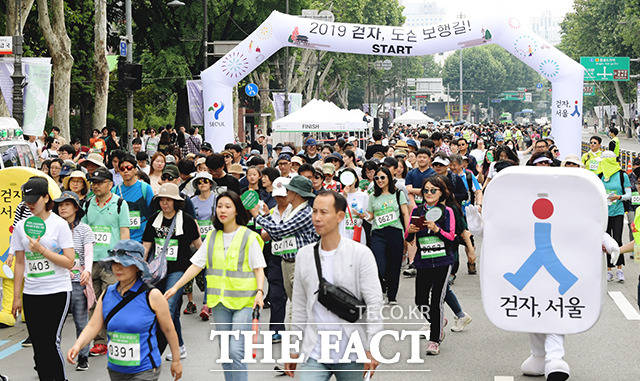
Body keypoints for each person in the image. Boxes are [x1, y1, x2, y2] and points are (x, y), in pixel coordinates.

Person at [164, 191, 265, 380]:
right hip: (219, 303)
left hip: (245, 302)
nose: (223, 210)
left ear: (236, 210)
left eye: (228, 206)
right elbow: (196, 265)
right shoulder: (212, 236)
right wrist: (176, 287)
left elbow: (259, 269)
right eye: (219, 206)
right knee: (226, 353)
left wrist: (260, 291)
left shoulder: (248, 236)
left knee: (235, 350)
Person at [285, 190, 383, 379]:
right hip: (314, 351)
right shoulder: (304, 255)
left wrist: (372, 347)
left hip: (352, 351)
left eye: (323, 212)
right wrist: (294, 348)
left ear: (340, 216)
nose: (317, 218)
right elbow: (298, 307)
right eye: (314, 212)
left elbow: (374, 304)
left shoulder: (361, 254)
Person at [66, 240, 183, 381]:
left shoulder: (152, 296)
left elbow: (169, 329)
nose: (118, 268)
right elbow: (93, 325)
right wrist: (78, 346)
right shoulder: (108, 293)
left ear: (137, 267)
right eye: (115, 263)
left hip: (145, 370)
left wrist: (176, 360)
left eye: (124, 263)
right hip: (115, 369)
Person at [11, 177, 75, 380]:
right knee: (38, 344)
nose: (29, 205)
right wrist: (16, 297)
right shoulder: (21, 227)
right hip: (32, 292)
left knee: (50, 342)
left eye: (34, 199)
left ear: (46, 197)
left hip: (57, 290)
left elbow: (69, 261)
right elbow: (20, 262)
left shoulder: (59, 225)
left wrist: (41, 250)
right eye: (26, 201)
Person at [142, 183, 202, 360]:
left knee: (166, 308)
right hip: (157, 271)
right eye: (162, 200)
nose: (165, 204)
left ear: (176, 201)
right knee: (173, 313)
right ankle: (180, 346)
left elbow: (199, 246)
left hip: (179, 270)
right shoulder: (154, 219)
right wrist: (140, 268)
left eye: (168, 200)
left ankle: (156, 350)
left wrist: (205, 268)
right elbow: (146, 246)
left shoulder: (188, 220)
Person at [405, 175, 458, 355]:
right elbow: (409, 240)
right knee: (420, 301)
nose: (428, 193)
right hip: (423, 262)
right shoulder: (417, 211)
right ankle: (438, 321)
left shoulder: (447, 211)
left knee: (436, 301)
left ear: (441, 192)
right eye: (425, 190)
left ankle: (435, 339)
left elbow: (452, 237)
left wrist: (437, 229)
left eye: (433, 190)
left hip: (443, 262)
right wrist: (410, 232)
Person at [82, 167, 131, 356]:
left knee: (111, 300)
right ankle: (100, 341)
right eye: (93, 182)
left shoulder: (120, 204)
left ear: (110, 184)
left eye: (99, 182)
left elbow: (124, 232)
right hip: (91, 261)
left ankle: (116, 337)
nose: (95, 186)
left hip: (111, 261)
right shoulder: (87, 204)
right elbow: (84, 232)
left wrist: (124, 259)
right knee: (92, 302)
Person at [250, 176, 318, 303]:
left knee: (300, 306)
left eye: (289, 190)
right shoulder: (292, 211)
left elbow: (280, 230)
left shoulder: (305, 212)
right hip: (287, 262)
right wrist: (266, 216)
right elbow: (277, 236)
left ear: (297, 194)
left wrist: (257, 217)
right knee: (295, 304)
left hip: (299, 264)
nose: (286, 193)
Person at [53, 191, 95, 371]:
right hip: (57, 281)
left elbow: (88, 253)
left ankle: (83, 356)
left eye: (67, 204)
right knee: (54, 324)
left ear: (76, 208)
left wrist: (88, 271)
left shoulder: (84, 229)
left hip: (78, 281)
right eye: (60, 205)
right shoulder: (53, 228)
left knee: (80, 321)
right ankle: (50, 358)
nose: (62, 207)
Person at [366, 166, 409, 304]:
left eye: (382, 177)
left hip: (395, 231)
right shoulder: (372, 196)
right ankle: (382, 287)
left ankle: (392, 296)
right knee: (379, 265)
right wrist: (363, 215)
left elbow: (405, 214)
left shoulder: (398, 194)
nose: (379, 180)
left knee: (394, 265)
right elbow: (370, 215)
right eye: (377, 178)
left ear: (389, 178)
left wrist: (408, 233)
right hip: (378, 233)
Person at [186, 171, 217, 319]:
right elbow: (192, 220)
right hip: (197, 242)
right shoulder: (192, 201)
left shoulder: (217, 199)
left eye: (205, 181)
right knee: (200, 272)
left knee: (209, 272)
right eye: (199, 182)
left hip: (215, 240)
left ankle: (207, 304)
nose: (202, 184)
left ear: (210, 184)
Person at [597, 150, 630, 282]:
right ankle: (609, 270)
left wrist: (619, 197)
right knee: (605, 242)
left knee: (617, 239)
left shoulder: (622, 175)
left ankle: (619, 269)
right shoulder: (599, 176)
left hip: (618, 211)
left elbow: (629, 194)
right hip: (604, 212)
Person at [113, 154, 155, 243]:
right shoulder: (115, 190)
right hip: (122, 240)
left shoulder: (145, 188)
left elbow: (152, 214)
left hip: (142, 239)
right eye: (122, 169)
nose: (125, 171)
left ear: (135, 169)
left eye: (129, 167)